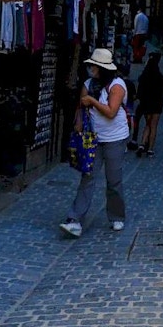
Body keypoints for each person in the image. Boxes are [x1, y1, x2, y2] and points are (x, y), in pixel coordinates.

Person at [59, 48, 129, 238]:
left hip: (115, 138)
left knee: (113, 180)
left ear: (102, 68)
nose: (91, 69)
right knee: (87, 177)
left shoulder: (117, 85)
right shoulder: (88, 84)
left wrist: (92, 101)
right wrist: (78, 124)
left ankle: (116, 216)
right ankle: (75, 218)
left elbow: (111, 111)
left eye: (94, 66)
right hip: (93, 138)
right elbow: (81, 108)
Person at [134, 52, 163, 157]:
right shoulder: (161, 77)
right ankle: (150, 149)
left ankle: (142, 143)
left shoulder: (144, 77)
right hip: (157, 104)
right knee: (153, 126)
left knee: (148, 124)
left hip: (147, 103)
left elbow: (139, 93)